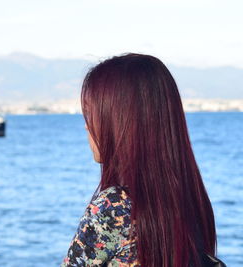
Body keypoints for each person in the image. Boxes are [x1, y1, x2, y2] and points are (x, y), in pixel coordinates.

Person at [60, 53, 221, 267]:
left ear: (117, 121)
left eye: (91, 115)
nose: (86, 126)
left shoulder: (114, 206)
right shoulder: (191, 200)